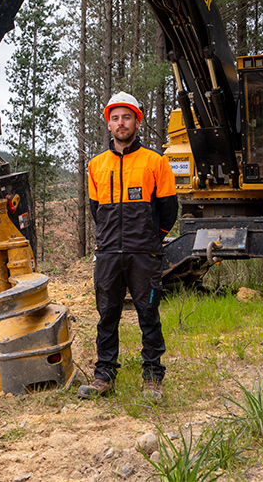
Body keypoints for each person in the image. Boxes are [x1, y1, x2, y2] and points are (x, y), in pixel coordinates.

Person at [78, 92, 178, 401]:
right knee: (107, 314)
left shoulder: (155, 162)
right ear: (108, 124)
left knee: (148, 314)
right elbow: (97, 211)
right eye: (116, 118)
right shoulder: (96, 165)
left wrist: (150, 238)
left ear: (137, 121)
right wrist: (111, 240)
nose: (121, 123)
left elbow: (169, 210)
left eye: (127, 117)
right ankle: (104, 376)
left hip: (143, 254)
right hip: (108, 254)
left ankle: (152, 377)